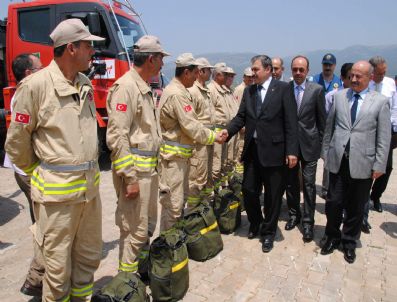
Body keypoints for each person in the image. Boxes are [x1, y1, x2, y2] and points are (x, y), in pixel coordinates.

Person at [6, 19, 105, 301]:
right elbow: (16, 143)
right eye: (88, 46)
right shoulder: (35, 86)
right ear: (71, 48)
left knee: (87, 261)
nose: (92, 52)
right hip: (56, 200)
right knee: (57, 270)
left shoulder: (84, 82)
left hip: (89, 195)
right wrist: (39, 172)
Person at [106, 35, 169, 274]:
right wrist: (130, 178)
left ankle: (139, 275)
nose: (163, 64)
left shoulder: (142, 87)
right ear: (151, 59)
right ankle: (127, 283)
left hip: (148, 174)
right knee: (133, 230)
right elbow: (117, 136)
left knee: (145, 228)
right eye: (161, 58)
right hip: (136, 175)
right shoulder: (126, 88)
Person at [226, 55, 298, 252]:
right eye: (252, 69)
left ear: (267, 70)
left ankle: (268, 233)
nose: (253, 73)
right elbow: (240, 117)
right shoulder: (249, 91)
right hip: (252, 151)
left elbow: (291, 122)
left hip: (275, 152)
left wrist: (292, 151)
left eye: (256, 69)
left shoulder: (283, 89)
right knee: (248, 191)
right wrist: (227, 131)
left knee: (273, 196)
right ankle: (255, 223)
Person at [320, 61, 391, 264]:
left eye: (359, 76)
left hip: (364, 164)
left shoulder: (380, 102)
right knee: (333, 203)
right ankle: (332, 236)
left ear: (370, 77)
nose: (354, 79)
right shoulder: (340, 97)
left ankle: (349, 242)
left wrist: (379, 164)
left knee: (356, 207)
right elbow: (330, 127)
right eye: (352, 75)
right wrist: (326, 151)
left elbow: (383, 138)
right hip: (338, 161)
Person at [158, 53, 227, 231]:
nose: (197, 77)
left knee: (178, 204)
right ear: (187, 72)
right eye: (195, 73)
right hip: (173, 160)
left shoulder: (180, 91)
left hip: (180, 158)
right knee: (173, 207)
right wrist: (214, 137)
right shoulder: (177, 94)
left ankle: (176, 242)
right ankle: (169, 247)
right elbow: (192, 125)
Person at [3, 53, 44, 298]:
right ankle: (36, 279)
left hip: (26, 170)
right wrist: (34, 172)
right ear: (28, 73)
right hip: (27, 171)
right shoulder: (25, 94)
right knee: (44, 226)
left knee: (42, 223)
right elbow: (17, 143)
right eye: (38, 67)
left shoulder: (28, 90)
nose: (44, 70)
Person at [284, 56, 326, 242]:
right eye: (295, 69)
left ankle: (308, 222)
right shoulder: (285, 90)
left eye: (301, 69)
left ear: (307, 71)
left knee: (309, 185)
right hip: (290, 147)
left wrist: (323, 147)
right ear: (291, 71)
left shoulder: (316, 90)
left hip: (310, 146)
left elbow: (322, 121)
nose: (298, 73)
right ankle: (294, 215)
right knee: (291, 183)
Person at [365, 56, 397, 216]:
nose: (383, 75)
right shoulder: (366, 84)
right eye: (380, 73)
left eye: (385, 72)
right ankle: (362, 201)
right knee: (367, 168)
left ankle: (376, 196)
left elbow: (395, 107)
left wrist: (394, 129)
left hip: (387, 132)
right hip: (369, 131)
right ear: (372, 73)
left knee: (387, 166)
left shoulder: (390, 84)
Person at [321, 62, 353, 199]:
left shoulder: (369, 99)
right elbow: (326, 122)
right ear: (343, 78)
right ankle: (326, 189)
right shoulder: (333, 96)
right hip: (335, 141)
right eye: (350, 77)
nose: (354, 80)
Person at [186, 57, 216, 206]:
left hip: (208, 140)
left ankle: (203, 208)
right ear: (201, 71)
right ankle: (193, 211)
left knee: (206, 177)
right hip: (198, 144)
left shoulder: (206, 91)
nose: (211, 72)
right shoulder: (192, 91)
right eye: (209, 70)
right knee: (197, 178)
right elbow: (190, 121)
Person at [208, 63, 232, 191]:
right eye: (225, 75)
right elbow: (210, 114)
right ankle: (215, 194)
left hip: (224, 133)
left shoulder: (222, 90)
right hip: (217, 134)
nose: (228, 77)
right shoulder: (211, 90)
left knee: (223, 165)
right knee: (216, 167)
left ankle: (220, 194)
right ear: (217, 75)